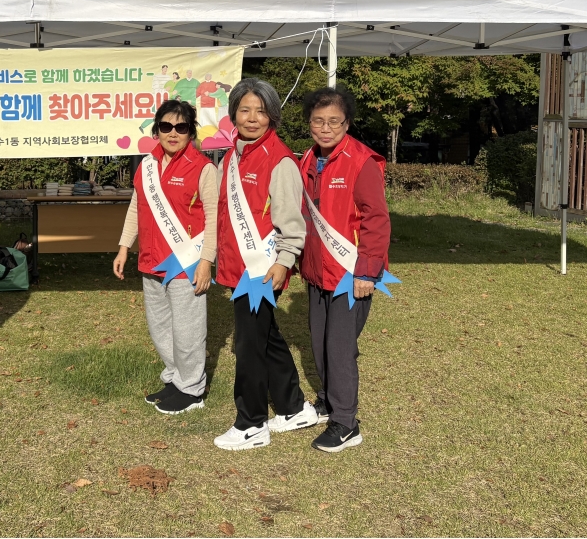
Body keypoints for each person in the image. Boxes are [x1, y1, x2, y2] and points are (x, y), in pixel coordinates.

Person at [212, 79, 317, 451]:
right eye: (245, 110)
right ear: (234, 115)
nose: (252, 118)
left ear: (272, 114)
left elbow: (293, 222)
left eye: (260, 110)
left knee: (248, 344)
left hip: (261, 268)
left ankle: (251, 423)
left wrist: (284, 262)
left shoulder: (280, 159)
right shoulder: (231, 156)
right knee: (265, 336)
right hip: (236, 265)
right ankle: (293, 408)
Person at [299, 86, 391, 453]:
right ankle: (327, 400)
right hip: (317, 270)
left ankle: (346, 423)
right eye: (318, 121)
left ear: (347, 123)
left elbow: (377, 220)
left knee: (339, 347)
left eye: (333, 122)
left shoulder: (361, 161)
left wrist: (367, 272)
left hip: (351, 274)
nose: (325, 128)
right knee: (320, 343)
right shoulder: (308, 158)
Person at [113, 100, 217, 415]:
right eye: (166, 126)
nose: (173, 133)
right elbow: (137, 206)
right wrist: (123, 246)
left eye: (181, 127)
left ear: (190, 131)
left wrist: (207, 260)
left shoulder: (203, 168)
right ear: (157, 129)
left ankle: (193, 389)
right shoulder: (146, 165)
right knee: (161, 328)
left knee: (188, 330)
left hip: (187, 264)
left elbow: (214, 218)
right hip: (151, 260)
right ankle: (175, 379)